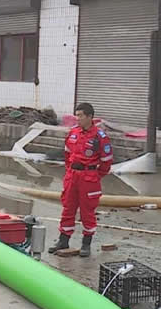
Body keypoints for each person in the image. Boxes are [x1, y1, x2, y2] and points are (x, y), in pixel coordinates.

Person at [48, 103, 113, 257]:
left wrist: (95, 175)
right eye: (76, 115)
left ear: (90, 117)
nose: (77, 119)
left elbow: (106, 161)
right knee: (68, 208)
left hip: (89, 178)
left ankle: (86, 244)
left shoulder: (99, 137)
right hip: (72, 176)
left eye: (81, 116)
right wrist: (71, 171)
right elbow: (67, 155)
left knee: (87, 212)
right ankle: (63, 240)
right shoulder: (73, 133)